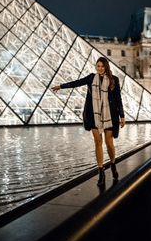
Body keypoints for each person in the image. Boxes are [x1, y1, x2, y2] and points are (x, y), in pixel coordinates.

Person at [51, 56, 125, 186]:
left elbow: (118, 98)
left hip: (110, 115)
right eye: (98, 66)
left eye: (102, 66)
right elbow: (76, 83)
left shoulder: (114, 80)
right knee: (97, 142)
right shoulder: (91, 78)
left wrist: (122, 116)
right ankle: (100, 172)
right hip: (93, 115)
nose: (100, 68)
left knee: (109, 143)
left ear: (106, 67)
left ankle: (113, 164)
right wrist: (61, 86)